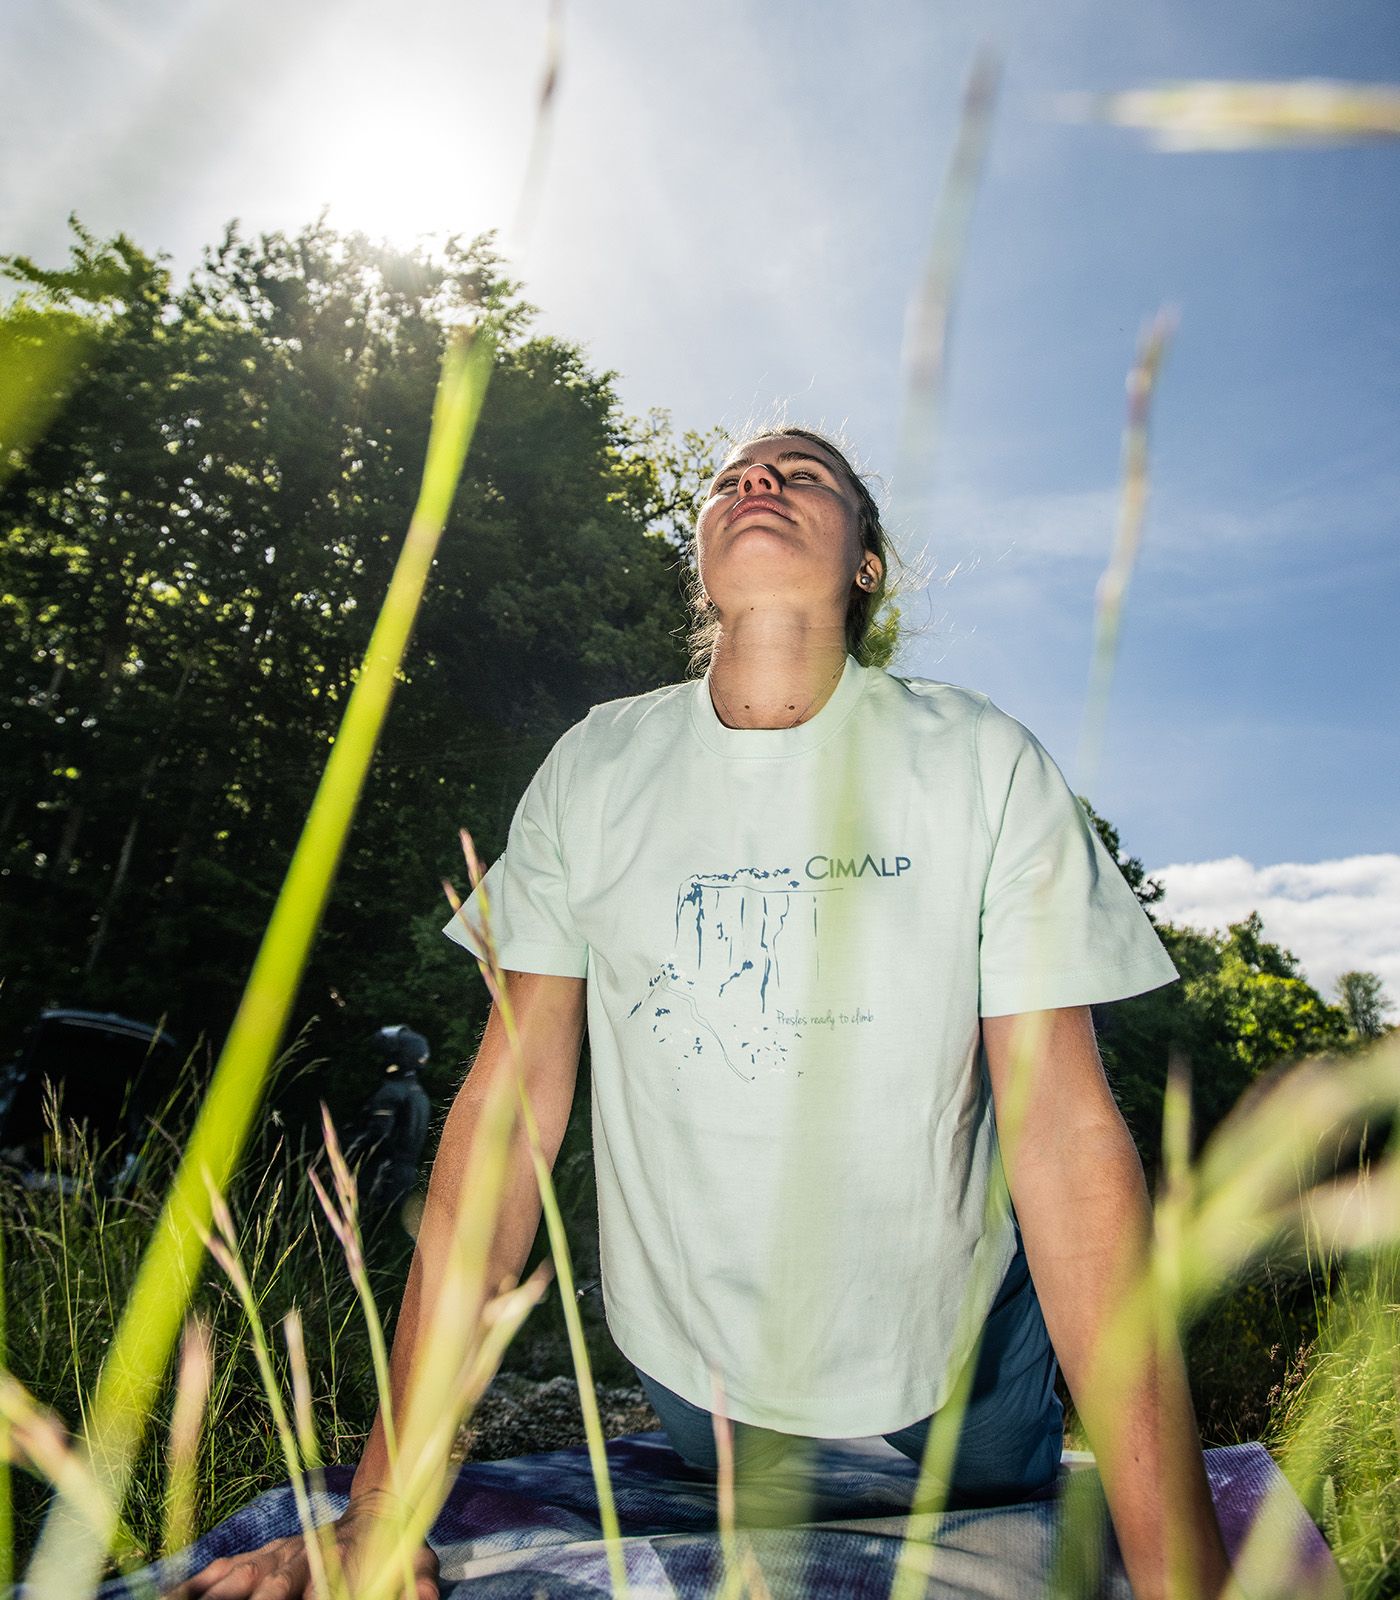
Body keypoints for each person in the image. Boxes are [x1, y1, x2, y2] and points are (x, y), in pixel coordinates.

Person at [180, 428, 1234, 1600]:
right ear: (699, 558)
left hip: (958, 1395)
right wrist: (379, 1509)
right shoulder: (596, 764)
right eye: (730, 476)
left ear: (865, 565)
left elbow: (1066, 1138)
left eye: (803, 474)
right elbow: (502, 1121)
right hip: (703, 1396)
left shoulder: (980, 759)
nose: (757, 482)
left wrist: (1181, 1570)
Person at [350, 1025, 433, 1232]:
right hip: (405, 1180)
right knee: (383, 1241)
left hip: (380, 1176)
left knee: (359, 1238)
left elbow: (378, 1135)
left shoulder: (392, 1092)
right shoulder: (420, 1096)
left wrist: (343, 1153)